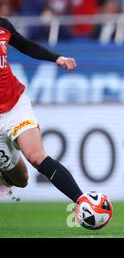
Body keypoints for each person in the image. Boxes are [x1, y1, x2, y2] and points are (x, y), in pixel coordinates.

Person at [0, 17, 84, 204]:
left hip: (15, 105)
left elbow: (25, 45)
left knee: (36, 157)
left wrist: (56, 58)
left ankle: (83, 202)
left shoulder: (3, 25)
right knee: (22, 179)